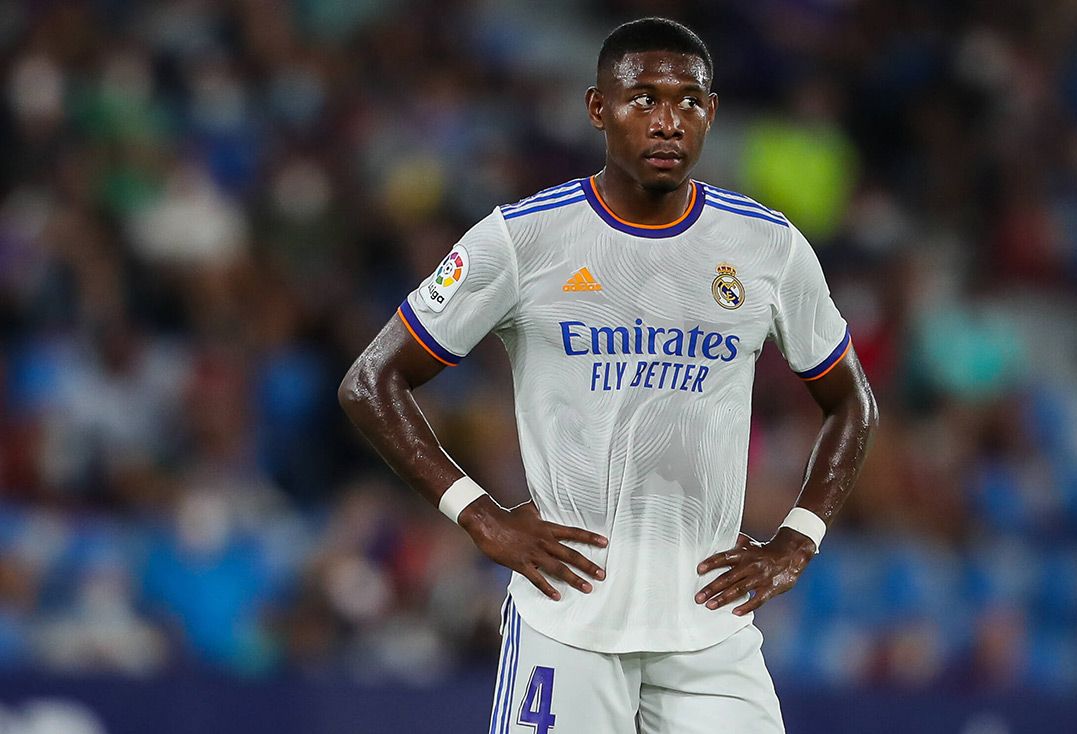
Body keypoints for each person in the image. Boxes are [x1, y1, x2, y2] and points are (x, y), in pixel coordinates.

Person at [339, 17, 876, 734]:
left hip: (710, 631)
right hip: (569, 622)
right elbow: (370, 383)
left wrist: (796, 541)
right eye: (644, 99)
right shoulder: (523, 239)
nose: (668, 121)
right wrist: (480, 516)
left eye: (689, 102)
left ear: (712, 113)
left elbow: (851, 402)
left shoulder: (767, 247)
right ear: (598, 108)